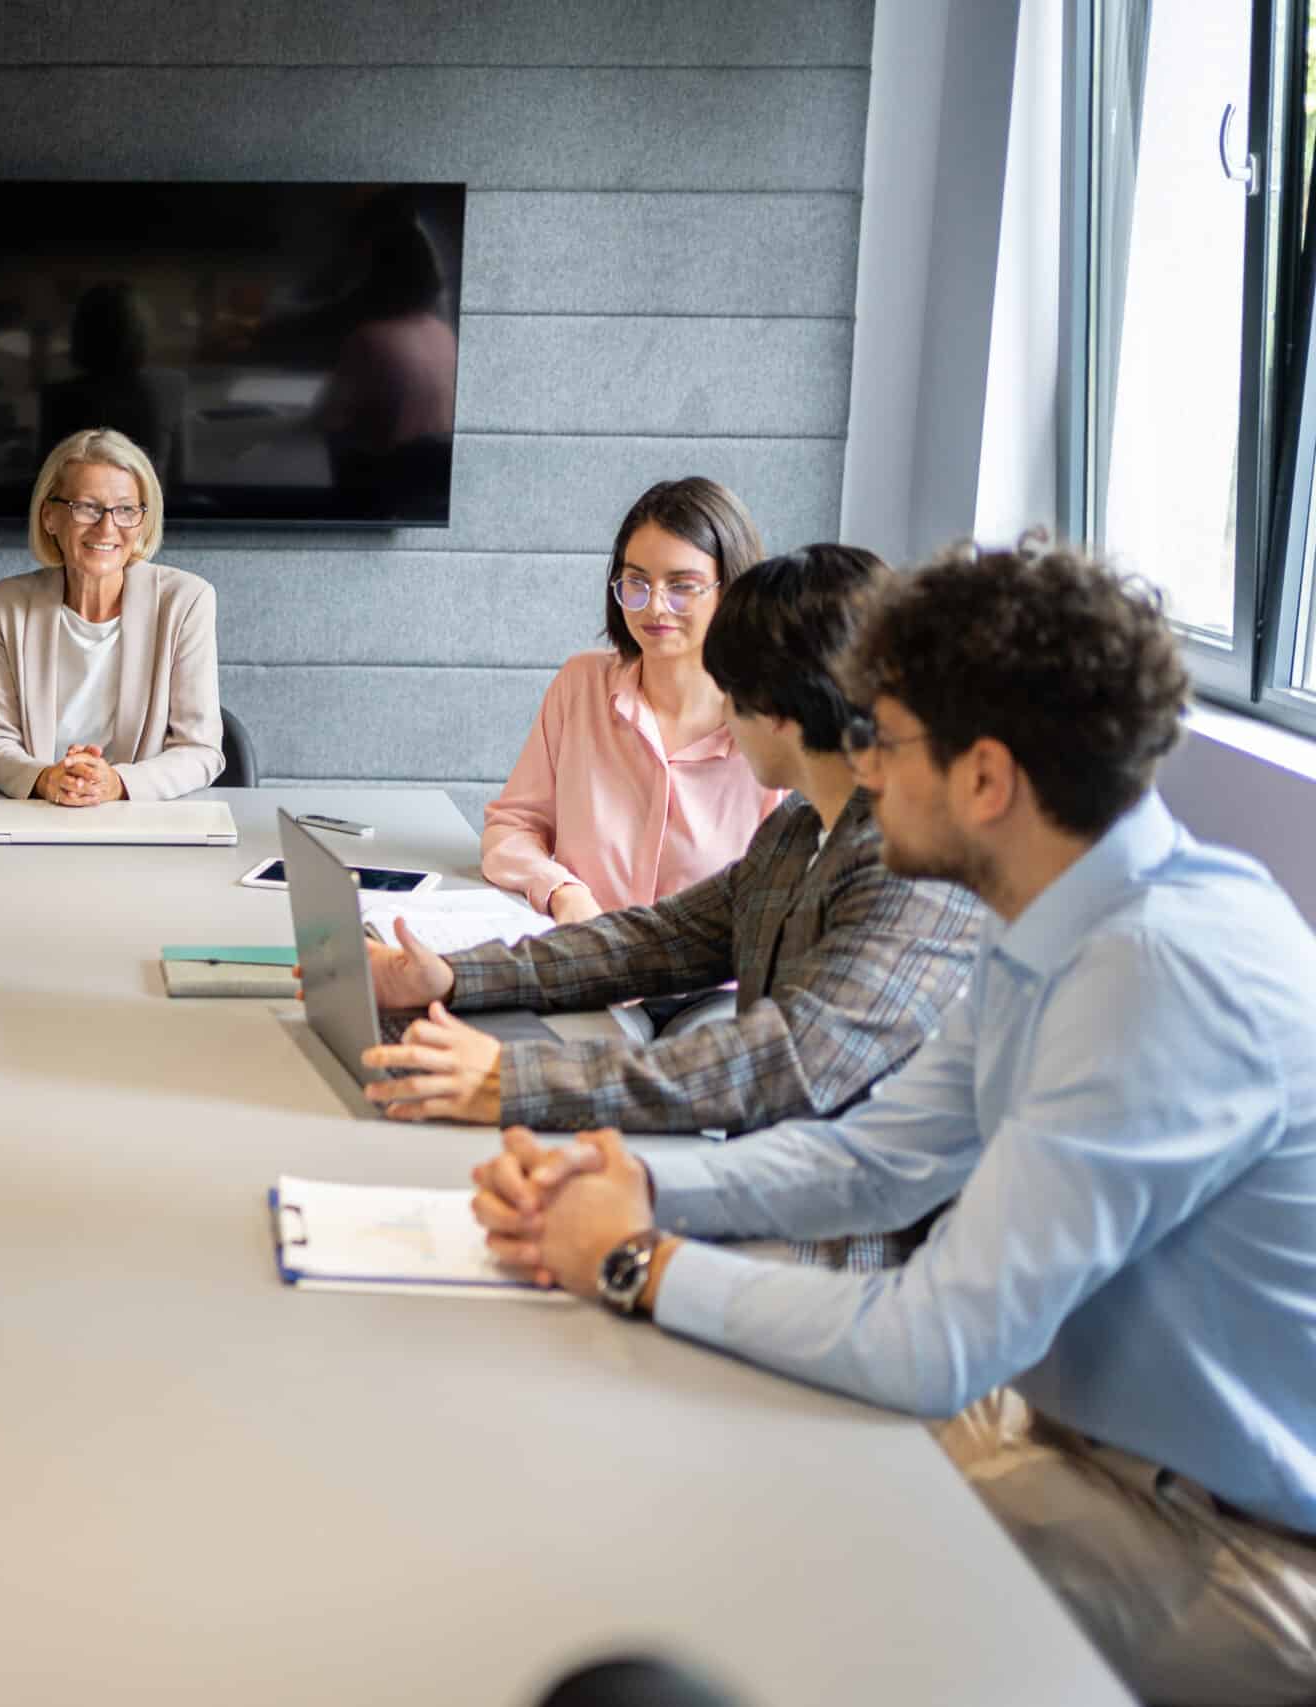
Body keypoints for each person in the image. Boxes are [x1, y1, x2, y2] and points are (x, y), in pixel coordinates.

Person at [472, 541, 1316, 1706]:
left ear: (984, 781)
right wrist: (628, 1189)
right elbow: (874, 1158)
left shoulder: (1160, 974)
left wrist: (630, 1261)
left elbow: (932, 1347)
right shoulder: (1057, 917)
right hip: (1082, 1451)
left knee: (713, 1576)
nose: (857, 766)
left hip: (1229, 1547)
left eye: (882, 738)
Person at [361, 549, 985, 1208]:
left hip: (838, 1241)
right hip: (758, 1188)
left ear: (772, 710)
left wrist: (511, 1077)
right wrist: (455, 976)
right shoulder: (796, 834)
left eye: (729, 695)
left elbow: (783, 1059)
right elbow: (647, 942)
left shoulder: (915, 866)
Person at [480, 479, 784, 925]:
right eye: (636, 582)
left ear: (730, 590)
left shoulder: (774, 728)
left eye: (682, 586)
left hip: (708, 990)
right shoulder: (580, 685)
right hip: (579, 963)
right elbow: (512, 828)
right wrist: (562, 892)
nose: (654, 607)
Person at [0, 427, 222, 805]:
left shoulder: (185, 601)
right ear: (49, 517)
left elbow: (202, 751)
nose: (107, 528)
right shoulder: (10, 604)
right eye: (87, 507)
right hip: (41, 814)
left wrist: (116, 783)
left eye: (125, 509)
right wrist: (44, 778)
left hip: (140, 820)